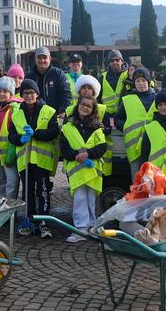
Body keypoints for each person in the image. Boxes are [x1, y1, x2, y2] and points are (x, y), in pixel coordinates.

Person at [9, 79, 60, 238]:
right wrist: (20, 138)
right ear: (22, 95)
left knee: (43, 191)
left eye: (32, 93)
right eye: (26, 93)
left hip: (42, 160)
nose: (29, 96)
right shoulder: (16, 113)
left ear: (37, 94)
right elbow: (11, 136)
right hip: (24, 160)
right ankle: (29, 219)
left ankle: (43, 222)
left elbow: (54, 132)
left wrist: (36, 134)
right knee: (27, 192)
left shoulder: (49, 111)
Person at [61, 96, 107, 243]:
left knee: (91, 200)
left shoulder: (97, 127)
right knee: (80, 199)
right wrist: (77, 156)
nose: (84, 108)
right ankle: (80, 229)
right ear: (77, 105)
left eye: (88, 106)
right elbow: (64, 149)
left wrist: (89, 154)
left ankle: (92, 227)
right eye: (82, 104)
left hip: (92, 171)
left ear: (93, 110)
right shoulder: (67, 127)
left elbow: (102, 147)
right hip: (77, 171)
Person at [66, 75, 113, 176]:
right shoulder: (70, 110)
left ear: (94, 91)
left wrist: (103, 128)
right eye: (83, 87)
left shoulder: (103, 110)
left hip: (96, 155)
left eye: (89, 88)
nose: (86, 90)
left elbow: (109, 130)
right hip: (75, 157)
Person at [115, 68, 157, 179]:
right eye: (137, 81)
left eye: (143, 80)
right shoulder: (127, 99)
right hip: (134, 148)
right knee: (137, 181)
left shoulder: (157, 98)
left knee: (155, 182)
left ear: (149, 81)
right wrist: (126, 128)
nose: (141, 83)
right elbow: (117, 119)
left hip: (155, 145)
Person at [25, 47, 71, 118]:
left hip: (56, 116)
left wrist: (63, 111)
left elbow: (66, 94)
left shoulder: (58, 74)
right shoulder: (29, 76)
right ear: (35, 59)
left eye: (44, 57)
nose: (42, 60)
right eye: (39, 58)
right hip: (36, 117)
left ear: (50, 58)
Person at [99, 49, 129, 115]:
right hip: (106, 115)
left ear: (122, 61)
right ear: (109, 63)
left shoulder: (128, 75)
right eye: (112, 61)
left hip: (124, 114)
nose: (115, 62)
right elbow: (98, 97)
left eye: (117, 60)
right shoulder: (103, 77)